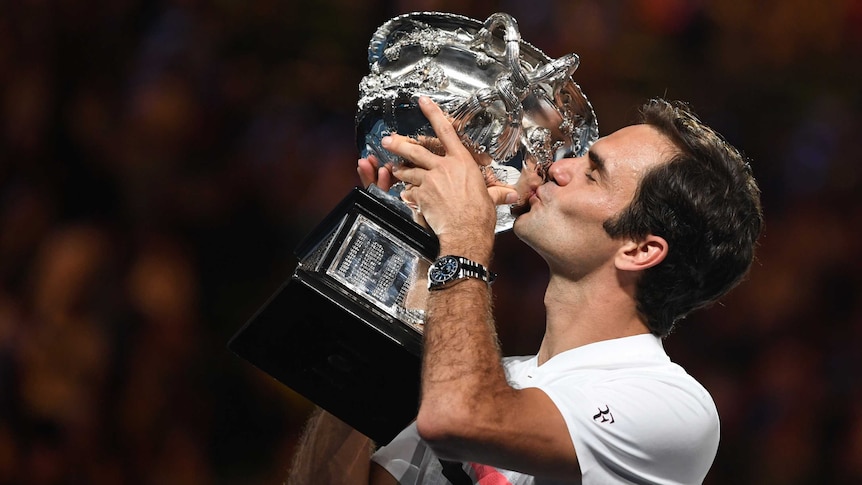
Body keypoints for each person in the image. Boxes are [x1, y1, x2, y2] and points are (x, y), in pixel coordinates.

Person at [286, 95, 763, 484]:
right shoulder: (471, 371)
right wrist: (401, 268)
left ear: (639, 250)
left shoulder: (672, 406)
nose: (559, 168)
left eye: (592, 172)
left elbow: (458, 419)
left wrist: (464, 237)